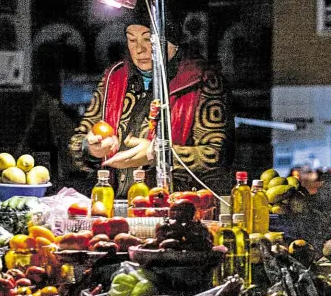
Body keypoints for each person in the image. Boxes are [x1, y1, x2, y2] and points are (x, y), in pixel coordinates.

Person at [68, 13, 231, 197]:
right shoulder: (115, 77)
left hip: (178, 205)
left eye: (148, 40)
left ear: (172, 42)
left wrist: (156, 154)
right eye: (132, 40)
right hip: (117, 203)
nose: (139, 49)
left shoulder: (202, 80)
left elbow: (214, 155)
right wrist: (90, 149)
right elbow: (78, 141)